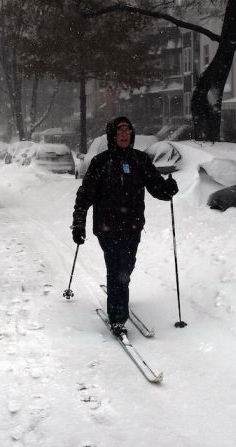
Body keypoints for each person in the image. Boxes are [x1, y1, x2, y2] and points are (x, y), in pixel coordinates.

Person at [71, 116, 178, 337]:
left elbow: (156, 186)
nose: (124, 134)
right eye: (120, 131)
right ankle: (118, 318)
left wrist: (167, 189)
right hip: (107, 229)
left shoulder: (140, 160)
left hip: (132, 227)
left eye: (128, 130)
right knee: (117, 269)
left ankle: (119, 292)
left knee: (126, 268)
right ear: (112, 135)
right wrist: (78, 223)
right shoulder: (100, 162)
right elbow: (85, 195)